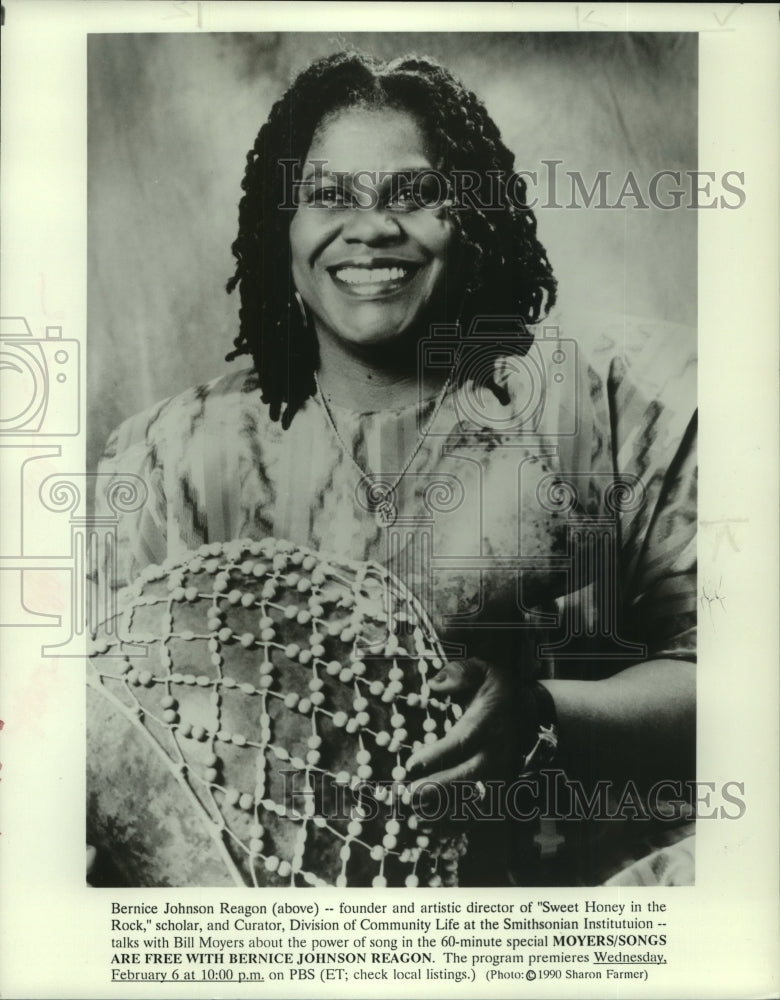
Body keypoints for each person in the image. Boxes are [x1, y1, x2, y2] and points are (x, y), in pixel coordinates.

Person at [93, 50, 696, 886]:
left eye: (413, 195)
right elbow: (100, 722)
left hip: (544, 928)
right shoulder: (174, 453)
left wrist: (544, 718)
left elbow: (733, 685)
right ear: (283, 228)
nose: (371, 228)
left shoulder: (603, 419)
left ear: (475, 222)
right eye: (329, 196)